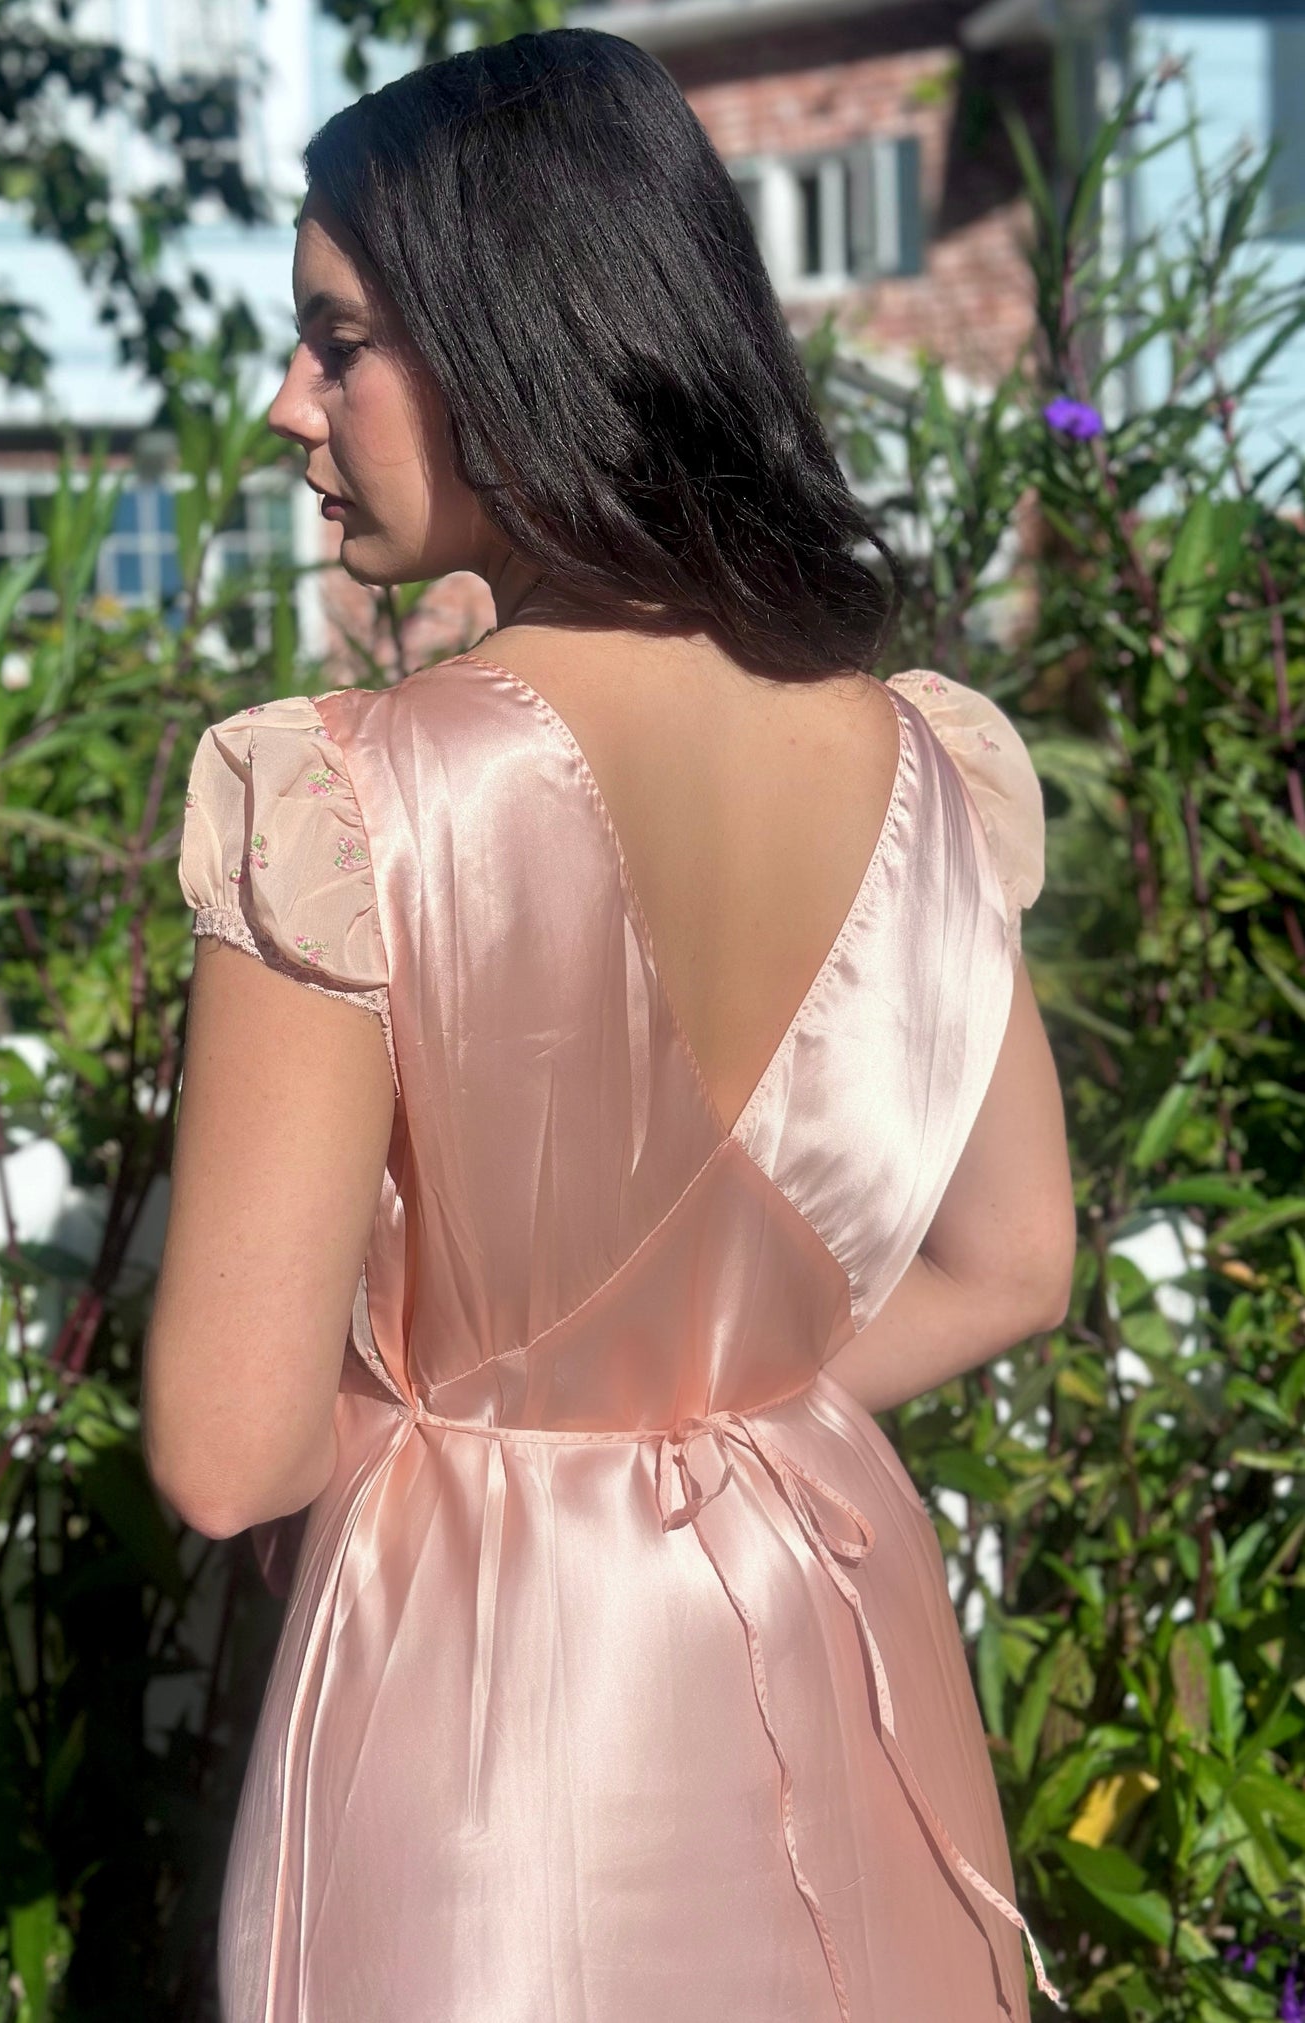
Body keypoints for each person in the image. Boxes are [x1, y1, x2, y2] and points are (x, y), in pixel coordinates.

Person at [142, 26, 1077, 2022]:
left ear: (513, 334)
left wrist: (509, 1450)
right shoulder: (929, 769)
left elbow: (227, 1454)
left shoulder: (348, 800)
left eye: (337, 340)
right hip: (827, 1658)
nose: (287, 412)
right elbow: (1017, 1262)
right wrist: (699, 1418)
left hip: (482, 1730)